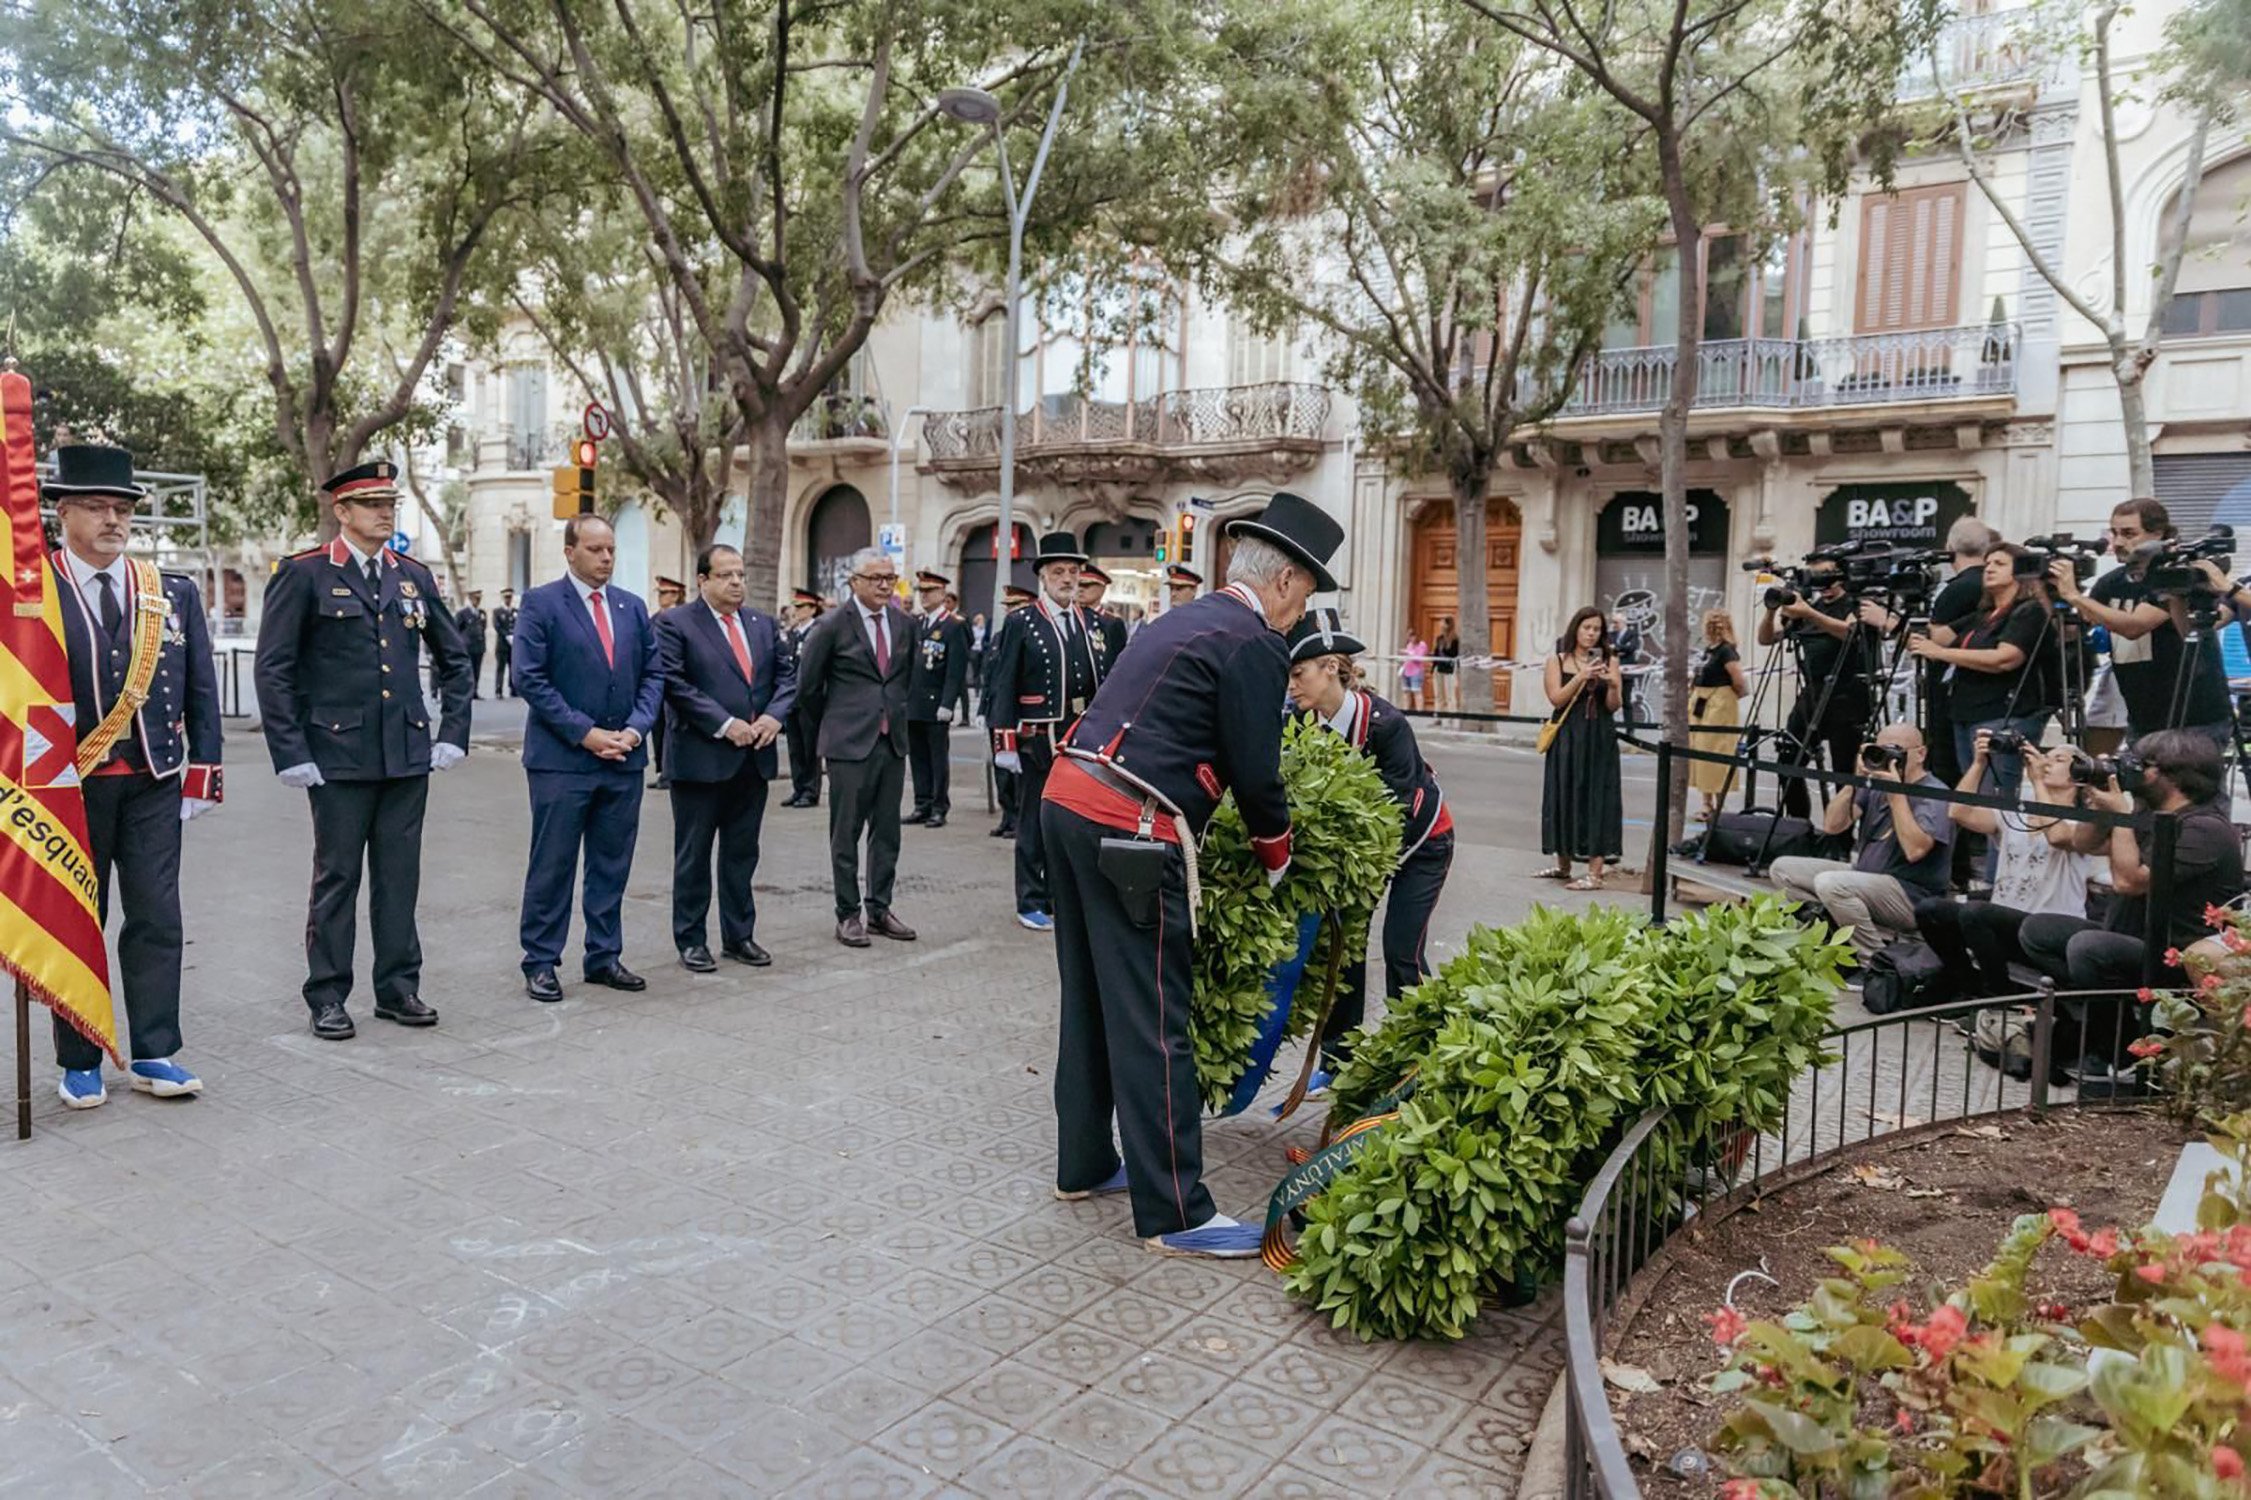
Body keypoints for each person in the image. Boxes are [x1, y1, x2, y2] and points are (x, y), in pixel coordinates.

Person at [1045, 491, 1343, 1257]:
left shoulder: (1186, 616)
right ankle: (1176, 1211)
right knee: (1154, 1020)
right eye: (1304, 597)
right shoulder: (1251, 639)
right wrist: (1277, 853)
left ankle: (1083, 1163)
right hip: (1130, 831)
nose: (1297, 617)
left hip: (1067, 803)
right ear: (1282, 582)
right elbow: (1255, 767)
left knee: (1090, 999)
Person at [254, 460, 472, 1040]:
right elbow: (273, 668)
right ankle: (327, 993)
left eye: (390, 504)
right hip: (337, 755)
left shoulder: (412, 576)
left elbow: (455, 659)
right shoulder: (304, 575)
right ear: (341, 512)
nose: (384, 513)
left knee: (400, 877)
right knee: (338, 877)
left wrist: (452, 732)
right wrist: (290, 749)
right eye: (372, 504)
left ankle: (399, 987)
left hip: (405, 752)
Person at [42, 444, 222, 1107]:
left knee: (155, 915)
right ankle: (79, 1059)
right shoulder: (33, 592)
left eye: (121, 508)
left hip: (152, 777)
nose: (113, 519)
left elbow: (202, 684)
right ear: (64, 513)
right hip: (66, 786)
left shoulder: (168, 591)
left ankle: (154, 1051)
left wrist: (204, 769)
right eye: (96, 507)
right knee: (75, 922)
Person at [2023, 729, 2247, 1088]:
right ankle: (2106, 1029)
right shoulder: (2145, 811)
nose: (2130, 770)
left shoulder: (2206, 829)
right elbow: (2081, 843)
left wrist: (2123, 816)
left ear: (2174, 775)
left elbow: (2130, 881)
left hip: (2174, 953)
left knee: (2088, 949)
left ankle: (2122, 1052)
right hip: (2126, 939)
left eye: (2140, 765)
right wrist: (2104, 806)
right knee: (2039, 931)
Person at [1284, 608, 1453, 1076]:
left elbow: (1398, 810)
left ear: (1333, 669)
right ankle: (1339, 1061)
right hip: (1359, 853)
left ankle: (1424, 1055)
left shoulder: (1385, 724)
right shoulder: (1299, 722)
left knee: (1401, 948)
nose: (1292, 686)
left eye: (1298, 675)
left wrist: (1350, 870)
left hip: (1422, 844)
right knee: (1345, 947)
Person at [509, 515, 663, 1003]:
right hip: (562, 762)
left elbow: (653, 676)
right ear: (570, 552)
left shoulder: (632, 607)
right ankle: (540, 959)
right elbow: (529, 679)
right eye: (595, 549)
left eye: (611, 550)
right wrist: (586, 734)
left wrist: (636, 730)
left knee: (611, 863)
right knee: (553, 864)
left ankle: (604, 955)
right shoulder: (542, 604)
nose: (606, 558)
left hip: (623, 760)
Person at [654, 544, 794, 973]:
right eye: (726, 575)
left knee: (741, 853)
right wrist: (724, 723)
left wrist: (773, 716)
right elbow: (674, 683)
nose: (737, 583)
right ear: (703, 580)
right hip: (702, 758)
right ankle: (692, 939)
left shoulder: (763, 625)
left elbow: (787, 676)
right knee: (694, 854)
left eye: (741, 575)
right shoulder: (675, 623)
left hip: (753, 758)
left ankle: (740, 935)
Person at [795, 547, 917, 948]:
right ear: (855, 582)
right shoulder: (832, 625)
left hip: (891, 741)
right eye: (876, 578)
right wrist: (833, 730)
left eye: (890, 577)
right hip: (849, 744)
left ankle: (879, 908)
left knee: (887, 832)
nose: (885, 585)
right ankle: (847, 913)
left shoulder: (903, 623)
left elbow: (905, 679)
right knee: (845, 832)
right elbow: (808, 689)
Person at [1913, 734, 2099, 998]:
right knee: (1931, 910)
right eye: (2046, 756)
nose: (2046, 762)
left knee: (1976, 913)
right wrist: (1979, 763)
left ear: (2078, 775)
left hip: (2044, 932)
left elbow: (2057, 836)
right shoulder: (2016, 816)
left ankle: (1997, 1000)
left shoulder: (2081, 823)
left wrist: (2036, 782)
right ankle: (1967, 984)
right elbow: (1958, 812)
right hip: (1997, 924)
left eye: (2058, 759)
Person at [986, 533, 1108, 933]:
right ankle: (1030, 899)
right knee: (1034, 824)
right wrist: (1004, 742)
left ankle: (1059, 896)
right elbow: (1004, 684)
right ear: (1042, 576)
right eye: (1059, 571)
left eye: (1073, 571)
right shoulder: (1023, 622)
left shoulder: (1093, 623)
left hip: (1081, 742)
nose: (1068, 578)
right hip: (1038, 739)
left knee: (1070, 822)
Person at [2053, 498, 2233, 750]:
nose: (2117, 542)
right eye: (2113, 533)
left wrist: (2073, 595)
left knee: (2190, 788)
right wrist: (2050, 595)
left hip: (2194, 714)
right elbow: (2073, 632)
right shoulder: (2110, 583)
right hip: (2142, 716)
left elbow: (2134, 626)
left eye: (2128, 533)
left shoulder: (2176, 578)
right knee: (2146, 789)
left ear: (2158, 534)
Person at [1769, 724, 1954, 968]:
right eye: (1880, 750)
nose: (1888, 758)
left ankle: (1876, 963)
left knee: (1831, 884)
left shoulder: (1935, 793)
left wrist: (1896, 794)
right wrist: (1855, 781)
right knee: (1782, 869)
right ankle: (1831, 941)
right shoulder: (1874, 785)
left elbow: (1915, 850)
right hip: (1866, 878)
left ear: (1920, 754)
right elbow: (1833, 826)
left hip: (1912, 895)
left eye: (1896, 750)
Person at [1905, 543, 2055, 805]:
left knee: (1994, 799)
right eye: (1987, 564)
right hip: (1967, 713)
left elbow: (2005, 658)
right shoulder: (1984, 614)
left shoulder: (2029, 611)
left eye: (1999, 564)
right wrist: (1897, 618)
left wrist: (1939, 653)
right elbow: (1940, 636)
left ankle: (1998, 848)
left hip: (2002, 714)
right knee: (1972, 796)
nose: (1990, 569)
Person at [1758, 557, 1878, 819]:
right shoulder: (1808, 607)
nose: (1822, 583)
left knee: (1843, 774)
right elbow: (1766, 639)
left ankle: (1841, 840)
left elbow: (1851, 633)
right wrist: (1771, 609)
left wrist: (1809, 614)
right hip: (1812, 694)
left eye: (1827, 575)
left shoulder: (1856, 604)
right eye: (1815, 576)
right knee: (1788, 763)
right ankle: (1799, 827)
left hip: (1848, 697)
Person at [1537, 606, 1624, 891]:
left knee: (1598, 798)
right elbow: (1556, 698)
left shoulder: (1610, 661)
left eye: (1597, 629)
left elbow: (1613, 705)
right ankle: (1563, 865)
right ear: (1575, 629)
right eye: (1587, 627)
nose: (1591, 634)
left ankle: (1594, 873)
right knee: (1563, 795)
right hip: (1567, 736)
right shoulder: (1557, 661)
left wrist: (1611, 685)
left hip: (1598, 737)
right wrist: (1580, 676)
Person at [905, 569, 971, 828]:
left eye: (930, 591)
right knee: (918, 756)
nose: (924, 596)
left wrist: (948, 703)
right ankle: (921, 803)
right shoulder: (917, 623)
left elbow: (956, 670)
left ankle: (938, 806)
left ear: (943, 594)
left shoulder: (954, 625)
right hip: (914, 701)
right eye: (922, 591)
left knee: (937, 757)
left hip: (935, 702)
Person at [1688, 608, 1750, 825]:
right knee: (1701, 752)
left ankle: (1718, 803)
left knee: (1717, 750)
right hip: (1702, 704)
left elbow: (1739, 682)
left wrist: (1727, 698)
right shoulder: (1709, 650)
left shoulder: (1727, 651)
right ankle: (1707, 801)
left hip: (1718, 704)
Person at [987, 583, 1038, 839]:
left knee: (1020, 774)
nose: (1011, 611)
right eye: (1008, 607)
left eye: (1016, 606)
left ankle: (1019, 819)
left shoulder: (1035, 636)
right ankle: (1007, 816)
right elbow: (994, 675)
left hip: (1021, 716)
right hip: (1000, 713)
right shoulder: (1000, 636)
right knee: (1003, 771)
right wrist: (987, 708)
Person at [780, 587, 824, 808]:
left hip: (810, 699)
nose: (796, 611)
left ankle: (810, 790)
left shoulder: (817, 631)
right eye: (795, 606)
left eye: (800, 607)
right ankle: (799, 788)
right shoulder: (794, 633)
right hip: (792, 698)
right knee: (795, 746)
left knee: (810, 747)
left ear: (812, 609)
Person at [648, 578, 686, 791]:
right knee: (658, 727)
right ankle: (662, 770)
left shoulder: (681, 618)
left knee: (673, 728)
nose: (661, 597)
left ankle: (673, 771)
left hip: (674, 680)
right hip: (656, 681)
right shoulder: (655, 619)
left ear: (675, 595)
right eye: (660, 593)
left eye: (665, 593)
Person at [1077, 563, 1130, 667]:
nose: (1080, 589)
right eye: (1078, 585)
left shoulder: (1112, 623)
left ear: (1102, 588)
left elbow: (1118, 662)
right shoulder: (1069, 618)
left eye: (1086, 585)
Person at [946, 591, 974, 722]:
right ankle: (948, 713)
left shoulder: (961, 618)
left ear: (955, 603)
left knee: (962, 689)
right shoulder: (944, 617)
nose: (946, 605)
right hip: (945, 657)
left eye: (948, 602)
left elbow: (970, 637)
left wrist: (963, 650)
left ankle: (965, 717)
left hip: (959, 658)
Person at [455, 590, 488, 701]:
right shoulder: (463, 613)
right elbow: (456, 629)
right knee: (468, 671)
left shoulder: (482, 613)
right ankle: (467, 692)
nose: (477, 601)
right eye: (475, 599)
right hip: (468, 647)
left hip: (479, 647)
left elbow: (483, 628)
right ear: (470, 599)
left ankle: (474, 691)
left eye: (479, 599)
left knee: (477, 671)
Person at [1430, 615, 1460, 715]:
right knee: (1438, 695)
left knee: (1450, 695)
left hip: (1450, 670)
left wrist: (1445, 649)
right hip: (1439, 669)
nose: (1440, 625)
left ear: (1448, 625)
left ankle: (1452, 717)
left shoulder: (1455, 640)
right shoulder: (1439, 639)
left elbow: (1454, 654)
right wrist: (1433, 668)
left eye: (1442, 623)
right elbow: (1436, 653)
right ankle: (1438, 717)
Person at [491, 587, 518, 698]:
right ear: (503, 598)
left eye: (510, 597)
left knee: (513, 667)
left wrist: (514, 636)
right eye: (506, 597)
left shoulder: (515, 611)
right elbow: (497, 626)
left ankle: (513, 689)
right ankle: (498, 690)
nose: (508, 599)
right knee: (500, 668)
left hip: (513, 645)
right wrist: (507, 636)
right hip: (502, 644)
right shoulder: (497, 612)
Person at [1399, 630, 1428, 710]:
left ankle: (1420, 712)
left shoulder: (1422, 645)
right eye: (1409, 636)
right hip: (1406, 671)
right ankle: (1406, 710)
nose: (1410, 638)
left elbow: (1419, 658)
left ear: (1416, 636)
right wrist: (1402, 669)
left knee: (1417, 692)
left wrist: (1409, 653)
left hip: (1416, 672)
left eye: (1412, 636)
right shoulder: (1409, 645)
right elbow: (1407, 659)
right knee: (1406, 692)